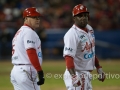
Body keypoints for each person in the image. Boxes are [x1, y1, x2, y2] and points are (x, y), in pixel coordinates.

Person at [63, 4, 105, 90]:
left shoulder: (90, 29)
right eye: (80, 16)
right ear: (74, 18)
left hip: (86, 74)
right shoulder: (72, 34)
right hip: (76, 73)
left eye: (85, 15)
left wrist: (98, 67)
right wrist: (74, 77)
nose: (83, 18)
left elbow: (91, 51)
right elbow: (68, 57)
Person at [10, 7, 45, 90]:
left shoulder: (20, 32)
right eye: (34, 17)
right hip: (26, 70)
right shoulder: (29, 32)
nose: (37, 19)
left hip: (16, 71)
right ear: (25, 18)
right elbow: (31, 52)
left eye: (38, 17)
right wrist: (39, 70)